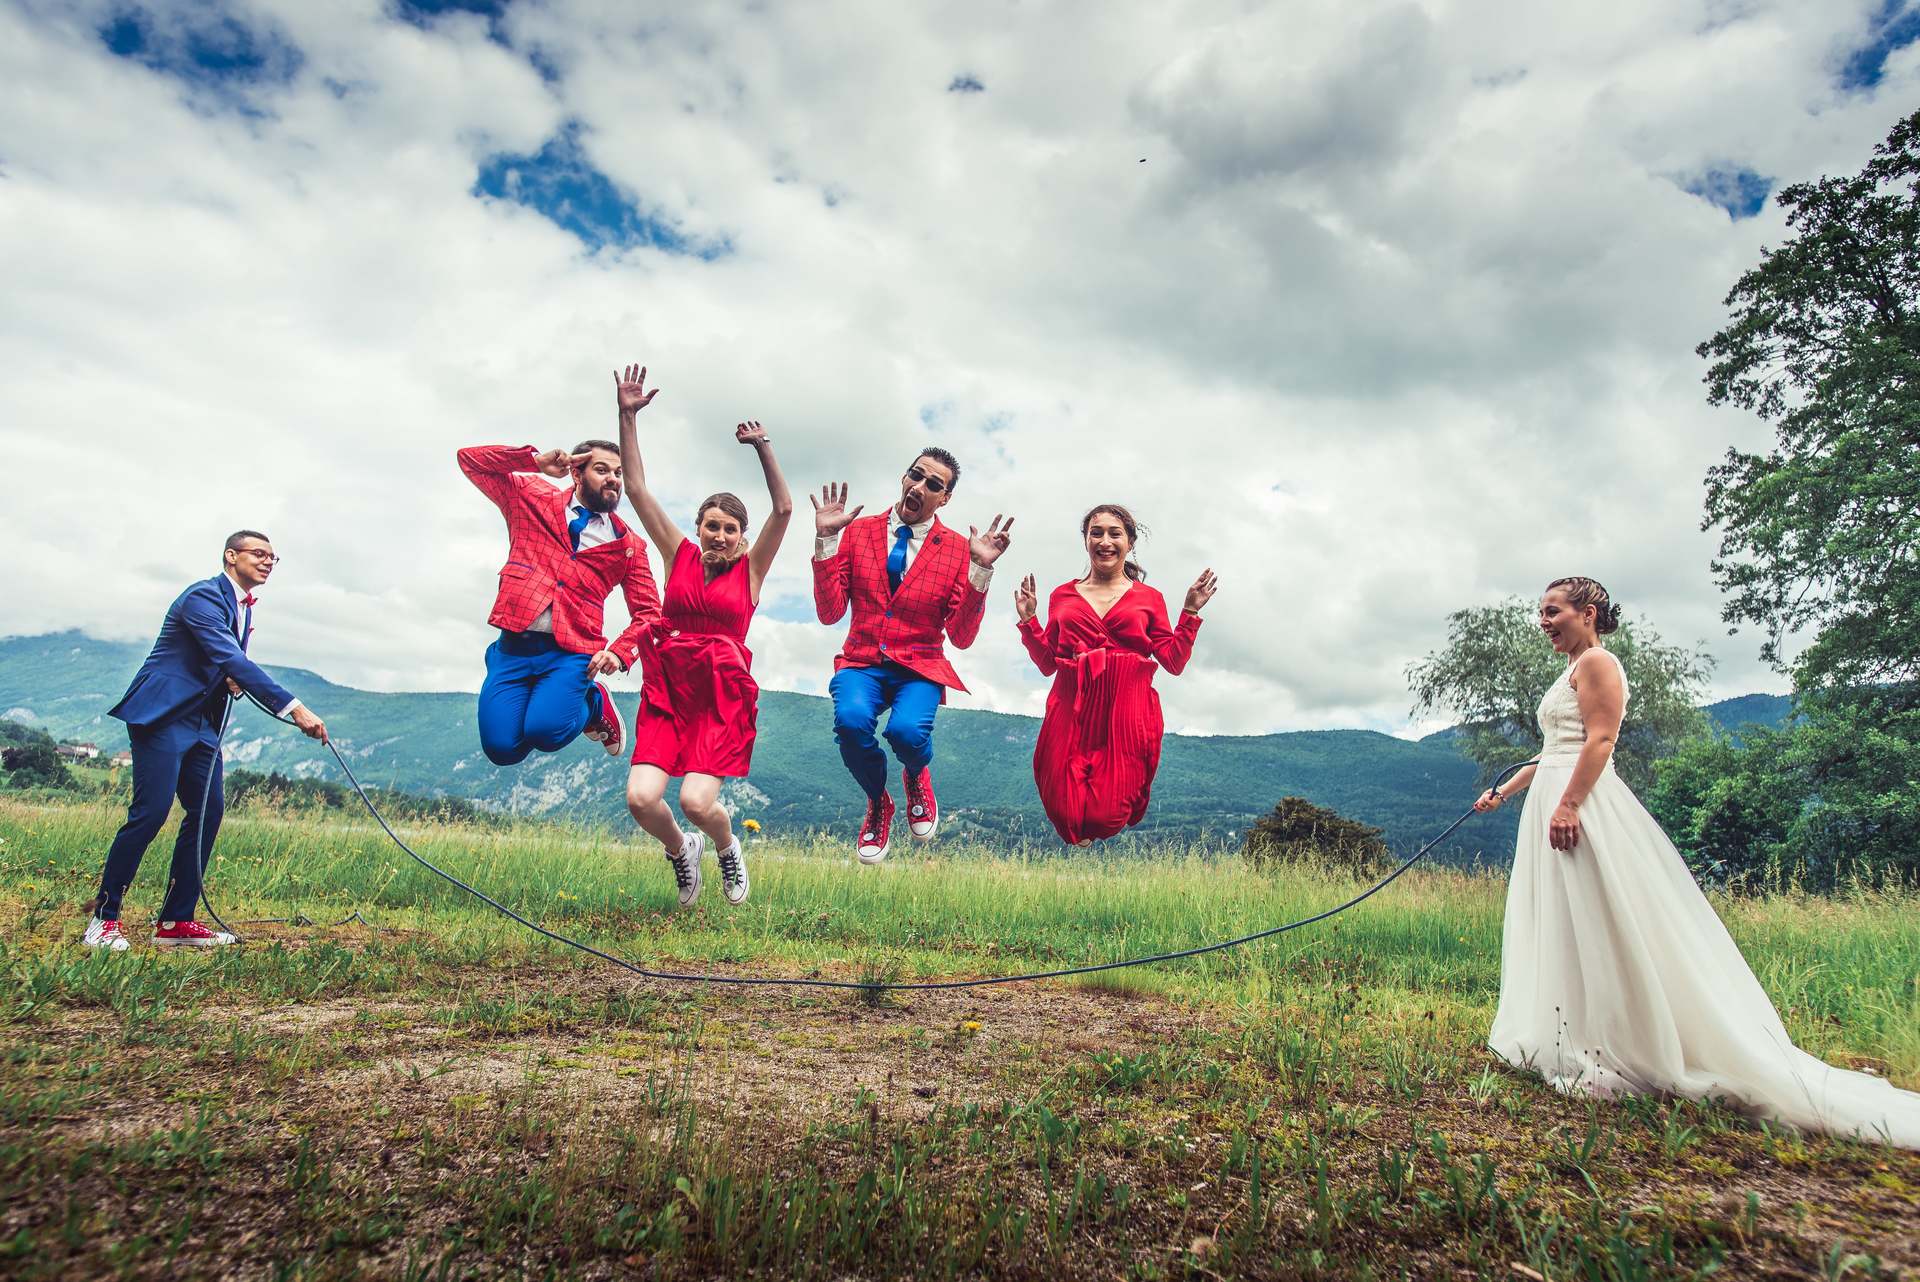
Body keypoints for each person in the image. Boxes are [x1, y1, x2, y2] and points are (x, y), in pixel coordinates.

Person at [1474, 576, 1919, 1147]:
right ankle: (1572, 1035)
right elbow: (1551, 751)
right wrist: (1505, 792)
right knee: (1564, 920)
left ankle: (1624, 1045)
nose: (1544, 621)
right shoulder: (1570, 670)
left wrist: (1569, 805)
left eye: (1553, 611)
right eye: (1541, 611)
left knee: (1601, 918)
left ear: (1587, 613)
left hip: (1581, 806)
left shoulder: (1599, 664)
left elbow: (1600, 741)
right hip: (1553, 798)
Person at [83, 531, 329, 951]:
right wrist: (293, 708)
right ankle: (103, 920)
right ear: (231, 556)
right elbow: (229, 656)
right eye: (258, 553)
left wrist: (228, 680)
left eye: (273, 558)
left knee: (207, 812)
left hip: (203, 724)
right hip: (163, 717)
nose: (267, 562)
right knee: (150, 813)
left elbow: (223, 662)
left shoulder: (242, 608)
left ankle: (175, 922)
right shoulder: (203, 596)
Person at [613, 364, 793, 906]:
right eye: (711, 525)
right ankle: (681, 850)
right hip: (670, 690)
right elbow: (636, 489)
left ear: (741, 536)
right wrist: (627, 414)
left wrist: (762, 447)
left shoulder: (752, 571)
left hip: (719, 697)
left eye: (730, 528)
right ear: (698, 528)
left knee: (696, 801)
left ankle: (725, 846)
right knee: (641, 799)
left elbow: (784, 509)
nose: (719, 535)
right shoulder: (678, 554)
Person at [812, 450, 1013, 863]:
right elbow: (830, 612)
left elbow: (961, 637)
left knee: (906, 733)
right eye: (915, 475)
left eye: (933, 484)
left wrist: (980, 571)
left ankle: (917, 774)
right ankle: (878, 803)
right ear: (904, 477)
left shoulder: (958, 549)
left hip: (919, 666)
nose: (919, 486)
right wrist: (826, 542)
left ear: (945, 498)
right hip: (862, 661)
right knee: (850, 723)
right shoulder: (858, 531)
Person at [457, 416, 662, 768]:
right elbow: (470, 461)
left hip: (573, 653)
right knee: (502, 749)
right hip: (513, 647)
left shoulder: (629, 546)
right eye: (602, 470)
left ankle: (594, 702)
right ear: (576, 473)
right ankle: (570, 699)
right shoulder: (530, 496)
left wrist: (620, 653)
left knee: (547, 733)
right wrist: (533, 462)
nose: (614, 478)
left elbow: (650, 613)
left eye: (619, 473)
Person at [1014, 506, 1217, 844]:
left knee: (1105, 816)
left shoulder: (1149, 599)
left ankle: (1098, 823)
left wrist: (1190, 612)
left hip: (1125, 708)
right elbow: (1048, 662)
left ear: (1129, 542)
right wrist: (1028, 621)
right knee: (1062, 807)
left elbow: (1173, 660)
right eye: (1096, 533)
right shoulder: (1062, 595)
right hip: (1071, 703)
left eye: (1114, 533)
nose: (1104, 541)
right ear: (1086, 540)